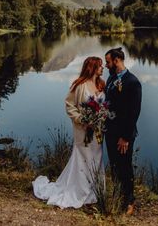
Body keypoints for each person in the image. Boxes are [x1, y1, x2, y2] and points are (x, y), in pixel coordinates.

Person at [32, 56, 106, 208]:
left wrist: (101, 117)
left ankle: (94, 191)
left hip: (98, 131)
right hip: (83, 130)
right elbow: (69, 105)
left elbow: (104, 106)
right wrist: (81, 119)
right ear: (92, 67)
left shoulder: (101, 84)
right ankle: (79, 191)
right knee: (83, 158)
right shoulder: (79, 85)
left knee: (96, 158)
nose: (102, 68)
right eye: (100, 65)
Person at [104, 47, 142, 215]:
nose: (106, 65)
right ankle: (118, 195)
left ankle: (129, 201)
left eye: (108, 61)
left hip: (123, 135)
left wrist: (125, 137)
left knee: (125, 167)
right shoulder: (111, 78)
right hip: (110, 132)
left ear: (117, 60)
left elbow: (134, 112)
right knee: (114, 166)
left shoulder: (133, 82)